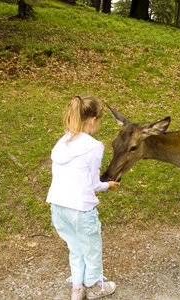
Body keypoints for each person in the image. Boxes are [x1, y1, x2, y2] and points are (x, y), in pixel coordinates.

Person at [46, 95, 120, 300]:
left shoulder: (62, 142)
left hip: (58, 208)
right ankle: (95, 287)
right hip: (80, 209)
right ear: (93, 119)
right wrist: (108, 185)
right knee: (91, 249)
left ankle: (77, 288)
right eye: (100, 121)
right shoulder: (94, 146)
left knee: (75, 248)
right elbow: (93, 185)